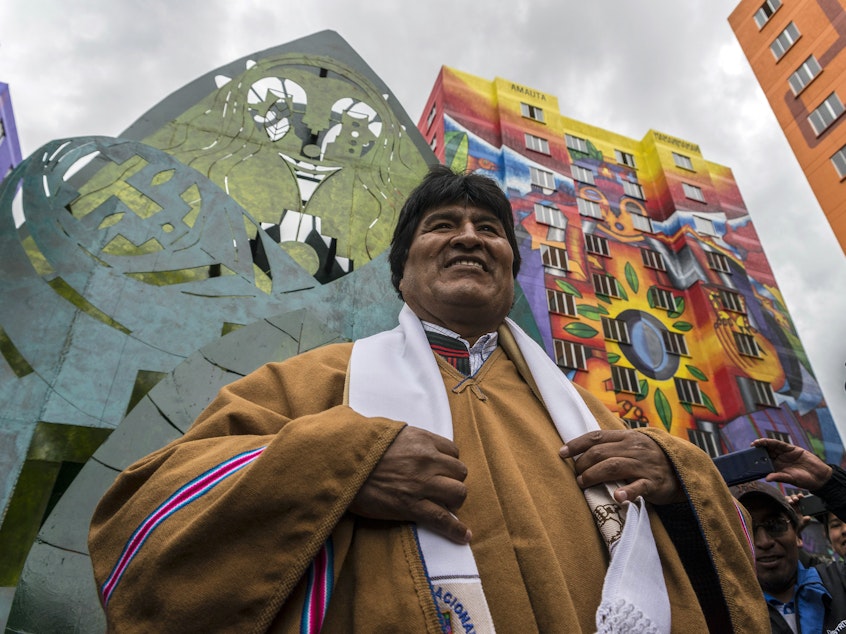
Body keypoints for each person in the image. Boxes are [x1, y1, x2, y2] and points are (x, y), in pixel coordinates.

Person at [89, 165, 768, 633]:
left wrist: (680, 478)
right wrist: (337, 468)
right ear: (404, 267)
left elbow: (727, 569)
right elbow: (140, 516)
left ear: (509, 266)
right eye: (443, 225)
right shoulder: (316, 383)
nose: (470, 236)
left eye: (489, 229)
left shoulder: (593, 417)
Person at [734, 437, 846, 632]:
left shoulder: (840, 581)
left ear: (797, 534)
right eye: (748, 530)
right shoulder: (730, 618)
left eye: (774, 525)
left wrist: (827, 481)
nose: (764, 541)